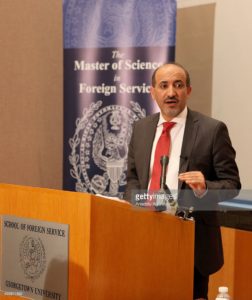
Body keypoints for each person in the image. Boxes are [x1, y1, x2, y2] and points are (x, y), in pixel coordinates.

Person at [123, 62, 241, 300]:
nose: (171, 93)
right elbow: (133, 179)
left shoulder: (212, 130)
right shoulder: (141, 128)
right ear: (152, 91)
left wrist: (206, 187)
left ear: (188, 90)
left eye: (178, 85)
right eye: (163, 85)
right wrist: (138, 205)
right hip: (145, 238)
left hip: (192, 245)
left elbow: (232, 185)